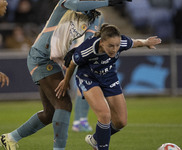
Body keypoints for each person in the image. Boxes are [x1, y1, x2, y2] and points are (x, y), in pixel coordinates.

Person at [0, 1, 132, 150]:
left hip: (54, 60)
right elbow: (76, 5)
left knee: (50, 113)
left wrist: (75, 50)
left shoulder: (96, 16)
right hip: (41, 57)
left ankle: (10, 138)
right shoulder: (67, 3)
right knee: (63, 104)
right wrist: (108, 1)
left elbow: (89, 38)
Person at [55, 23, 161, 150]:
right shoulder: (87, 49)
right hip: (88, 78)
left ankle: (96, 139)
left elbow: (135, 42)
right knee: (105, 115)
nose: (115, 49)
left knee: (120, 122)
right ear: (102, 43)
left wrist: (146, 42)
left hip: (109, 77)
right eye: (111, 46)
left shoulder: (121, 43)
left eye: (117, 45)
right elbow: (72, 64)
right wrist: (66, 81)